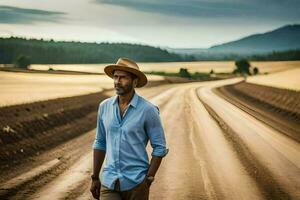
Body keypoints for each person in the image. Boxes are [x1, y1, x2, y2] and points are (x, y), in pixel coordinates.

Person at [90, 57, 169, 200]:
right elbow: (100, 142)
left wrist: (148, 179)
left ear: (135, 82)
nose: (117, 81)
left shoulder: (148, 110)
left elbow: (160, 147)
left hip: (137, 183)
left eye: (123, 78)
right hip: (109, 182)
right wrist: (95, 177)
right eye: (115, 77)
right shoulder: (104, 107)